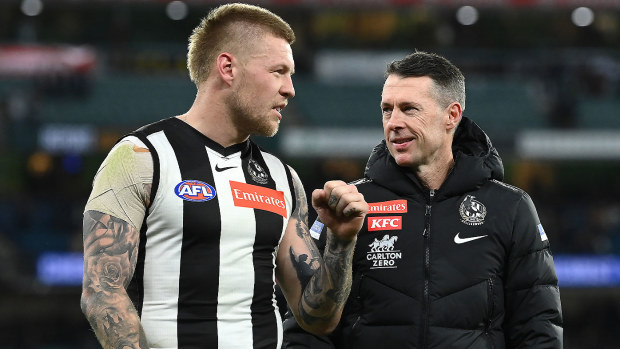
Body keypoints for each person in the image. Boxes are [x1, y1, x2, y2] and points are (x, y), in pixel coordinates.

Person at [80, 3, 368, 349]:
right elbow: (102, 292)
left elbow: (317, 317)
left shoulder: (281, 177)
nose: (290, 88)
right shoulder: (141, 158)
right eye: (278, 71)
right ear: (228, 68)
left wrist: (341, 241)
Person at [283, 51, 563, 348]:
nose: (394, 123)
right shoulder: (348, 207)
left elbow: (538, 329)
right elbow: (306, 328)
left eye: (409, 109)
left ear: (451, 115)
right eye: (387, 110)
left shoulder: (510, 207)